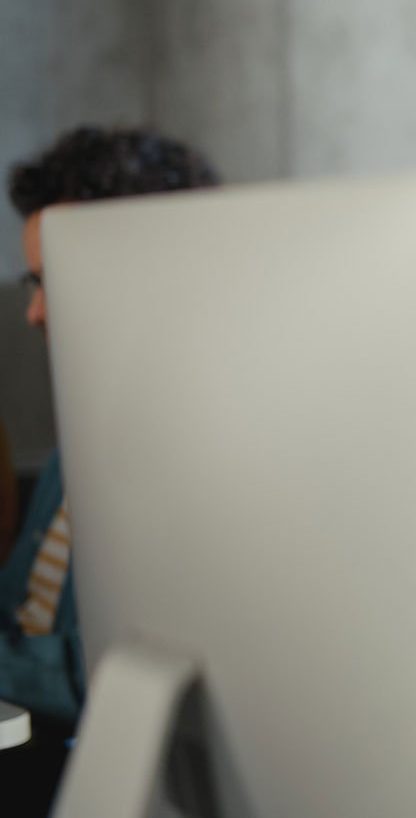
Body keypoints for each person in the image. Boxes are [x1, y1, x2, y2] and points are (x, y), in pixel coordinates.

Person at [1, 125, 220, 815]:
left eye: (50, 282)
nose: (33, 312)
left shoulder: (202, 442)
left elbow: (118, 670)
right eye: (29, 282)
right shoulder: (93, 405)